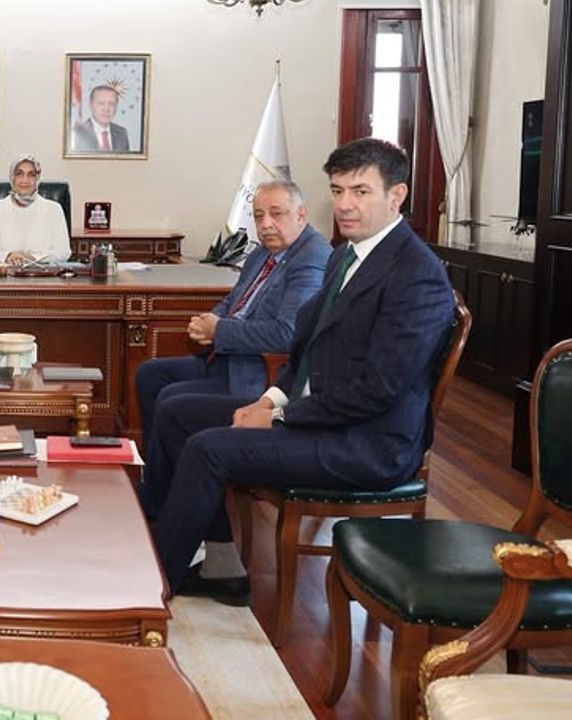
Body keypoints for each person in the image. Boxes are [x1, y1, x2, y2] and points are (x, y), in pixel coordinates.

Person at [149, 138, 455, 595]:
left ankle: (154, 585)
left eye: (360, 191)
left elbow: (378, 390)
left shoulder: (417, 275)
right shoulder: (346, 255)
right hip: (318, 417)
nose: (345, 205)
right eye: (337, 191)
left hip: (365, 442)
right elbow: (305, 350)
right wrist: (268, 400)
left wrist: (278, 416)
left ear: (397, 195)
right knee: (177, 413)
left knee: (209, 449)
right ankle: (220, 564)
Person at [137, 182, 329, 599]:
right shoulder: (260, 255)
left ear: (301, 215)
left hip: (260, 378)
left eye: (277, 214)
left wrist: (219, 331)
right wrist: (208, 320)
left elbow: (287, 334)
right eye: (259, 216)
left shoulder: (311, 259)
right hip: (228, 359)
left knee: (173, 404)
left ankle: (180, 522)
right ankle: (161, 503)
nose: (266, 224)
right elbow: (233, 304)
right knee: (151, 376)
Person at [0, 154, 71, 265]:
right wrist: (8, 256)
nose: (25, 180)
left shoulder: (54, 210)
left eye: (31, 175)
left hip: (42, 273)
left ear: (37, 179)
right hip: (5, 273)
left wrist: (33, 258)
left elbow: (64, 253)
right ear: (12, 178)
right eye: (19, 174)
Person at [71, 85, 131, 152]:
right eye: (101, 103)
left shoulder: (122, 133)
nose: (106, 109)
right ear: (90, 105)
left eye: (111, 104)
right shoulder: (78, 133)